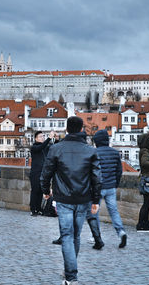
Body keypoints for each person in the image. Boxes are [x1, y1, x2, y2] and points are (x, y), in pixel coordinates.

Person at [40, 116, 102, 285]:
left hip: (63, 198)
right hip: (83, 198)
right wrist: (95, 200)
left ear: (66, 129)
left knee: (67, 235)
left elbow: (46, 173)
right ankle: (70, 270)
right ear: (82, 129)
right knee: (75, 235)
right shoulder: (90, 150)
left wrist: (46, 191)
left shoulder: (56, 149)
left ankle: (71, 275)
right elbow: (97, 178)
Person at [88, 129, 127, 248]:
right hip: (111, 187)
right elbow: (119, 171)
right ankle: (121, 232)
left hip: (97, 187)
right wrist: (115, 184)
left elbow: (90, 171)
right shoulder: (115, 153)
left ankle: (96, 236)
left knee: (95, 212)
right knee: (113, 211)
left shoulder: (93, 152)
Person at [30, 130, 55, 216]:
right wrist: (49, 138)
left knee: (41, 191)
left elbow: (52, 147)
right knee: (35, 191)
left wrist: (56, 139)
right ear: (36, 138)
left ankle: (39, 208)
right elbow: (41, 147)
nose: (42, 138)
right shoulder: (34, 147)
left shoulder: (45, 147)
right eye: (41, 136)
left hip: (43, 172)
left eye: (43, 136)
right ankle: (33, 209)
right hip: (35, 172)